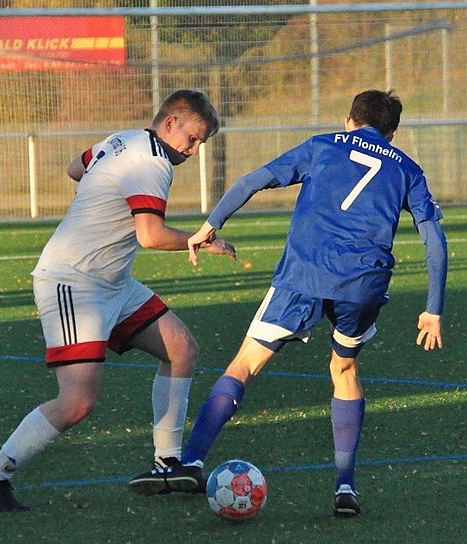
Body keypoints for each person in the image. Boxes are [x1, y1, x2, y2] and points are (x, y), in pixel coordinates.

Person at [178, 89, 448, 517]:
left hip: (304, 274)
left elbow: (252, 180)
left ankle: (190, 461)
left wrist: (209, 226)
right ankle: (345, 488)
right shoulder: (407, 169)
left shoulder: (323, 146)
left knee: (245, 364)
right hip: (364, 283)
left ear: (349, 120)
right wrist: (433, 309)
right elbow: (434, 239)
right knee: (344, 368)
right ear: (392, 133)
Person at [0, 89, 236, 512]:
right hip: (73, 282)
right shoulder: (153, 162)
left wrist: (103, 192)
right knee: (77, 403)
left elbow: (76, 168)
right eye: (193, 138)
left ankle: (166, 463)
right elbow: (150, 236)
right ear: (170, 124)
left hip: (112, 281)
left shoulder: (124, 139)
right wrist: (199, 240)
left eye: (202, 142)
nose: (196, 149)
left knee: (181, 348)